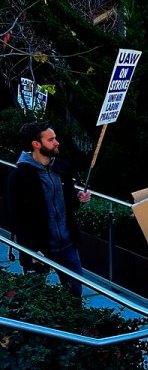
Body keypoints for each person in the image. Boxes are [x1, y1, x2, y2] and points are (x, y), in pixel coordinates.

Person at [5, 121, 91, 297]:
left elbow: (68, 204)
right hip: (39, 248)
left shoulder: (62, 168)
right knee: (35, 295)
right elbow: (15, 216)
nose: (57, 142)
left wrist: (79, 199)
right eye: (51, 139)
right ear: (36, 144)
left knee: (75, 292)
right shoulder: (19, 176)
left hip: (67, 244)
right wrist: (30, 249)